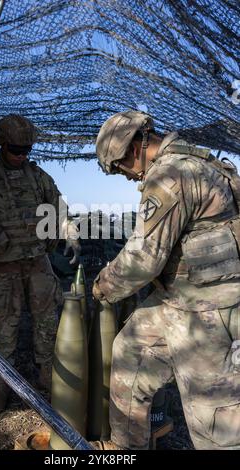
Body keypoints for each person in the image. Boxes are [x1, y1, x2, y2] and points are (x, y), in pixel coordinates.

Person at [92, 110, 240, 450]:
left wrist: (104, 285)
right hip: (181, 297)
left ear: (129, 150)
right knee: (130, 353)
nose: (126, 177)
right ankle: (125, 448)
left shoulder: (170, 175)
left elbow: (143, 260)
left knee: (215, 419)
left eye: (118, 168)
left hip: (211, 311)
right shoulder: (190, 161)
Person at [0, 114, 78, 414]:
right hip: (2, 264)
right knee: (6, 326)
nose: (22, 155)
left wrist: (69, 231)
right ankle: (2, 381)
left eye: (27, 149)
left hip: (37, 261)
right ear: (2, 144)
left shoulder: (38, 177)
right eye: (16, 149)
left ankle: (47, 375)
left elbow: (59, 207)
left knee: (47, 321)